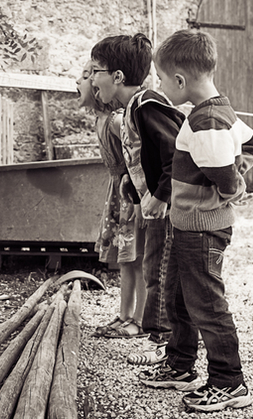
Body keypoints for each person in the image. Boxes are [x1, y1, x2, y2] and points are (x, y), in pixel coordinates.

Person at [138, 29, 253, 412]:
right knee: (178, 296)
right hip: (187, 223)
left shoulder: (206, 122)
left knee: (206, 304)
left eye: (161, 80)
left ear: (179, 81)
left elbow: (224, 174)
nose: (160, 87)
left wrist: (233, 186)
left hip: (204, 228)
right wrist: (236, 176)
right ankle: (180, 364)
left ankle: (229, 381)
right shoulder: (212, 111)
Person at [89, 33, 184, 351]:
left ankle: (167, 350)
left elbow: (174, 154)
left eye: (95, 71)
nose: (92, 79)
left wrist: (159, 195)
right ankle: (165, 349)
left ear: (117, 76)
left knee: (160, 275)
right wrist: (133, 185)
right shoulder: (132, 108)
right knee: (155, 272)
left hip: (167, 209)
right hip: (155, 205)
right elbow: (145, 157)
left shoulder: (144, 106)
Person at [76, 60, 146, 339]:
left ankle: (140, 321)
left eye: (88, 75)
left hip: (130, 194)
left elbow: (138, 155)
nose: (84, 81)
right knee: (125, 259)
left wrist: (136, 194)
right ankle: (124, 314)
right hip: (117, 192)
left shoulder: (117, 120)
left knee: (137, 258)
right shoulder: (100, 120)